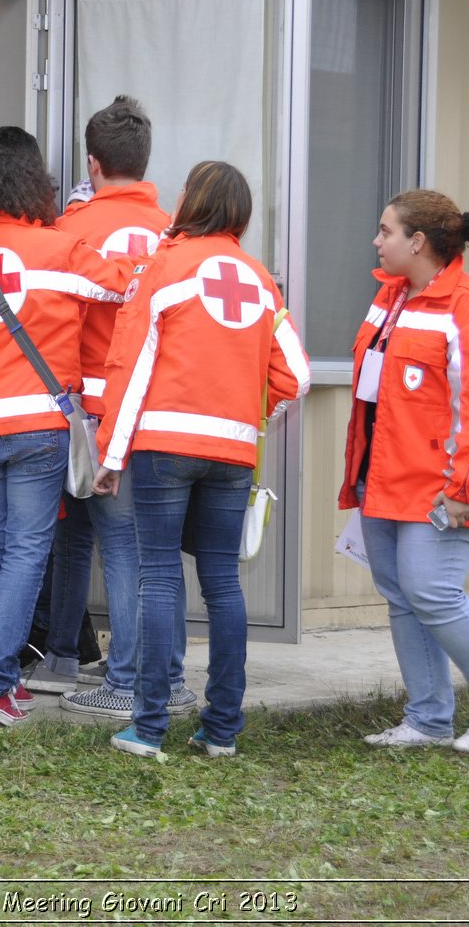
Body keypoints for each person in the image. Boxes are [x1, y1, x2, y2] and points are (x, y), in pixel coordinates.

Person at [95, 160, 310, 759]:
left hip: (163, 445)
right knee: (221, 581)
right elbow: (296, 375)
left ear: (193, 202)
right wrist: (248, 410)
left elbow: (131, 366)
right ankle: (221, 731)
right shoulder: (262, 279)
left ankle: (147, 727)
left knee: (159, 575)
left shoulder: (164, 267)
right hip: (232, 449)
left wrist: (111, 454)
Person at [0, 127, 130, 726]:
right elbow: (126, 286)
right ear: (34, 192)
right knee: (27, 550)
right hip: (37, 423)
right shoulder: (60, 249)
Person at [24, 96, 197, 724]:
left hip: (100, 410)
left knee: (120, 548)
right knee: (158, 550)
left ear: (92, 164)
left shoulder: (69, 229)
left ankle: (129, 678)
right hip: (169, 410)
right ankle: (161, 675)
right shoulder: (181, 230)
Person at [340, 190, 469, 752]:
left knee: (435, 594)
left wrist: (466, 488)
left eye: (385, 230)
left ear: (417, 241)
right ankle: (428, 719)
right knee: (403, 596)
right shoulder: (391, 297)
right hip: (382, 478)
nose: (377, 240)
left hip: (441, 487)